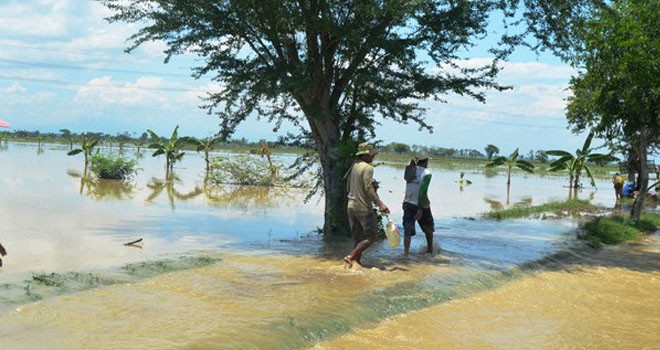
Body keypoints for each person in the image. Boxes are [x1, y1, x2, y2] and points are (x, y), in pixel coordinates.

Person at [343, 142, 389, 268]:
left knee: (358, 238)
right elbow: (368, 188)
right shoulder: (368, 168)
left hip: (350, 206)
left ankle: (355, 264)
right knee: (372, 236)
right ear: (367, 154)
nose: (373, 157)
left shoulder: (354, 165)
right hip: (362, 207)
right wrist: (380, 204)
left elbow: (348, 186)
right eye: (372, 154)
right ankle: (351, 256)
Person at [402, 152, 434, 255]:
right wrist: (420, 209)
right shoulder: (427, 173)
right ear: (426, 161)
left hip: (408, 202)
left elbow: (409, 187)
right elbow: (422, 192)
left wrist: (404, 200)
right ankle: (430, 250)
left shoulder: (410, 170)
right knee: (428, 228)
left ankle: (405, 253)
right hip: (421, 205)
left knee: (407, 230)